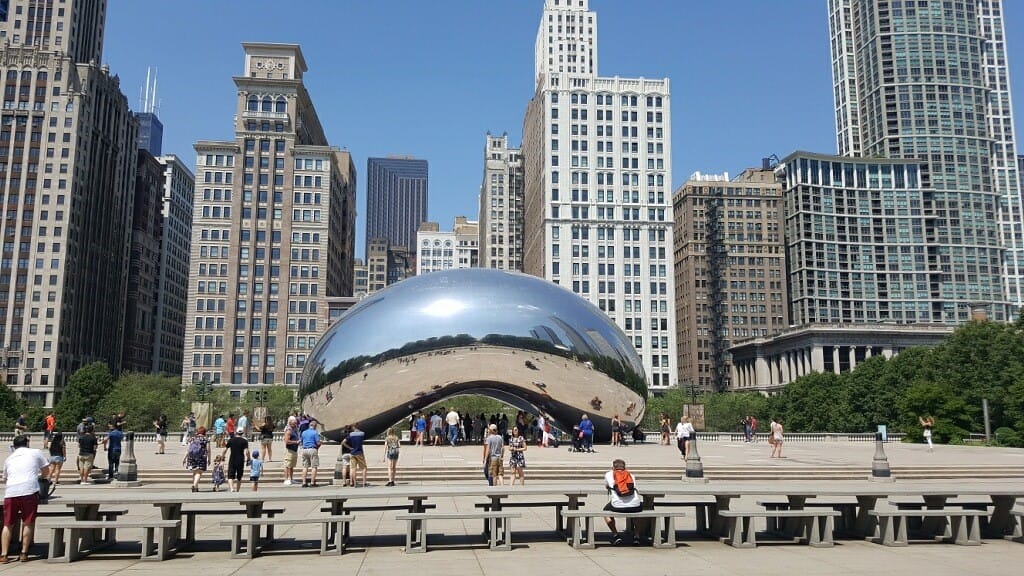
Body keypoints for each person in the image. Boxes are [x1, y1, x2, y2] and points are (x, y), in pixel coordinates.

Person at [1, 434, 51, 563]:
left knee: (8, 524)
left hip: (11, 492)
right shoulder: (35, 452)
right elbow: (46, 470)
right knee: (28, 522)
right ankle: (24, 552)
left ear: (14, 446)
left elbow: (5, 478)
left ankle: (4, 554)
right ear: (27, 443)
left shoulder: (9, 458)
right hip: (29, 490)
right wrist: (41, 478)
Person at [603, 458, 648, 546]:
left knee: (605, 512)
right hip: (634, 505)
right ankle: (637, 536)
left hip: (617, 505)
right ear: (625, 467)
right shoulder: (631, 475)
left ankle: (616, 535)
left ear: (613, 467)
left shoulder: (609, 474)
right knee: (639, 510)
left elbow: (606, 486)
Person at [184, 426, 210, 492]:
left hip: (191, 457)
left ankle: (196, 488)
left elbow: (189, 449)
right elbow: (208, 450)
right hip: (201, 457)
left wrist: (184, 458)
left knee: (195, 472)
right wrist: (209, 459)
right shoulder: (206, 439)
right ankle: (195, 485)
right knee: (199, 472)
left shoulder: (193, 438)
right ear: (204, 432)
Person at [343, 422, 367, 487]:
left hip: (352, 452)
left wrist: (350, 448)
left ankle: (355, 483)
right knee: (364, 467)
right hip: (359, 452)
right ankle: (364, 482)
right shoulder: (362, 433)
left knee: (353, 468)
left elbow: (343, 442)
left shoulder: (351, 435)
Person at [299, 420, 322, 488]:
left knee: (305, 467)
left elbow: (301, 442)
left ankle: (304, 482)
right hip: (312, 449)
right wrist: (320, 443)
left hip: (305, 450)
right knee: (314, 466)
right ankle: (312, 482)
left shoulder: (304, 432)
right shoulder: (315, 433)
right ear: (315, 426)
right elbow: (318, 443)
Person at [282, 417, 301, 485]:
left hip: (294, 450)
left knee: (292, 466)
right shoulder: (289, 430)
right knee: (287, 465)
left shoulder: (295, 430)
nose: (296, 424)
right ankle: (286, 479)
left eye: (296, 423)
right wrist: (296, 442)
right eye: (294, 423)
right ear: (290, 423)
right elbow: (286, 441)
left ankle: (291, 478)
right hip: (289, 450)